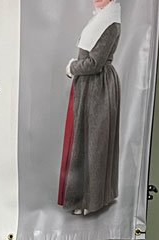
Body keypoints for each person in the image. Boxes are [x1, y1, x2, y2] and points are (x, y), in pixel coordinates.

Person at [58, 0, 121, 215]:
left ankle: (89, 200)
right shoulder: (100, 19)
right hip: (88, 85)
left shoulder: (110, 22)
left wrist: (71, 67)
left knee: (94, 142)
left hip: (97, 87)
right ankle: (84, 197)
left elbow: (94, 63)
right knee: (86, 140)